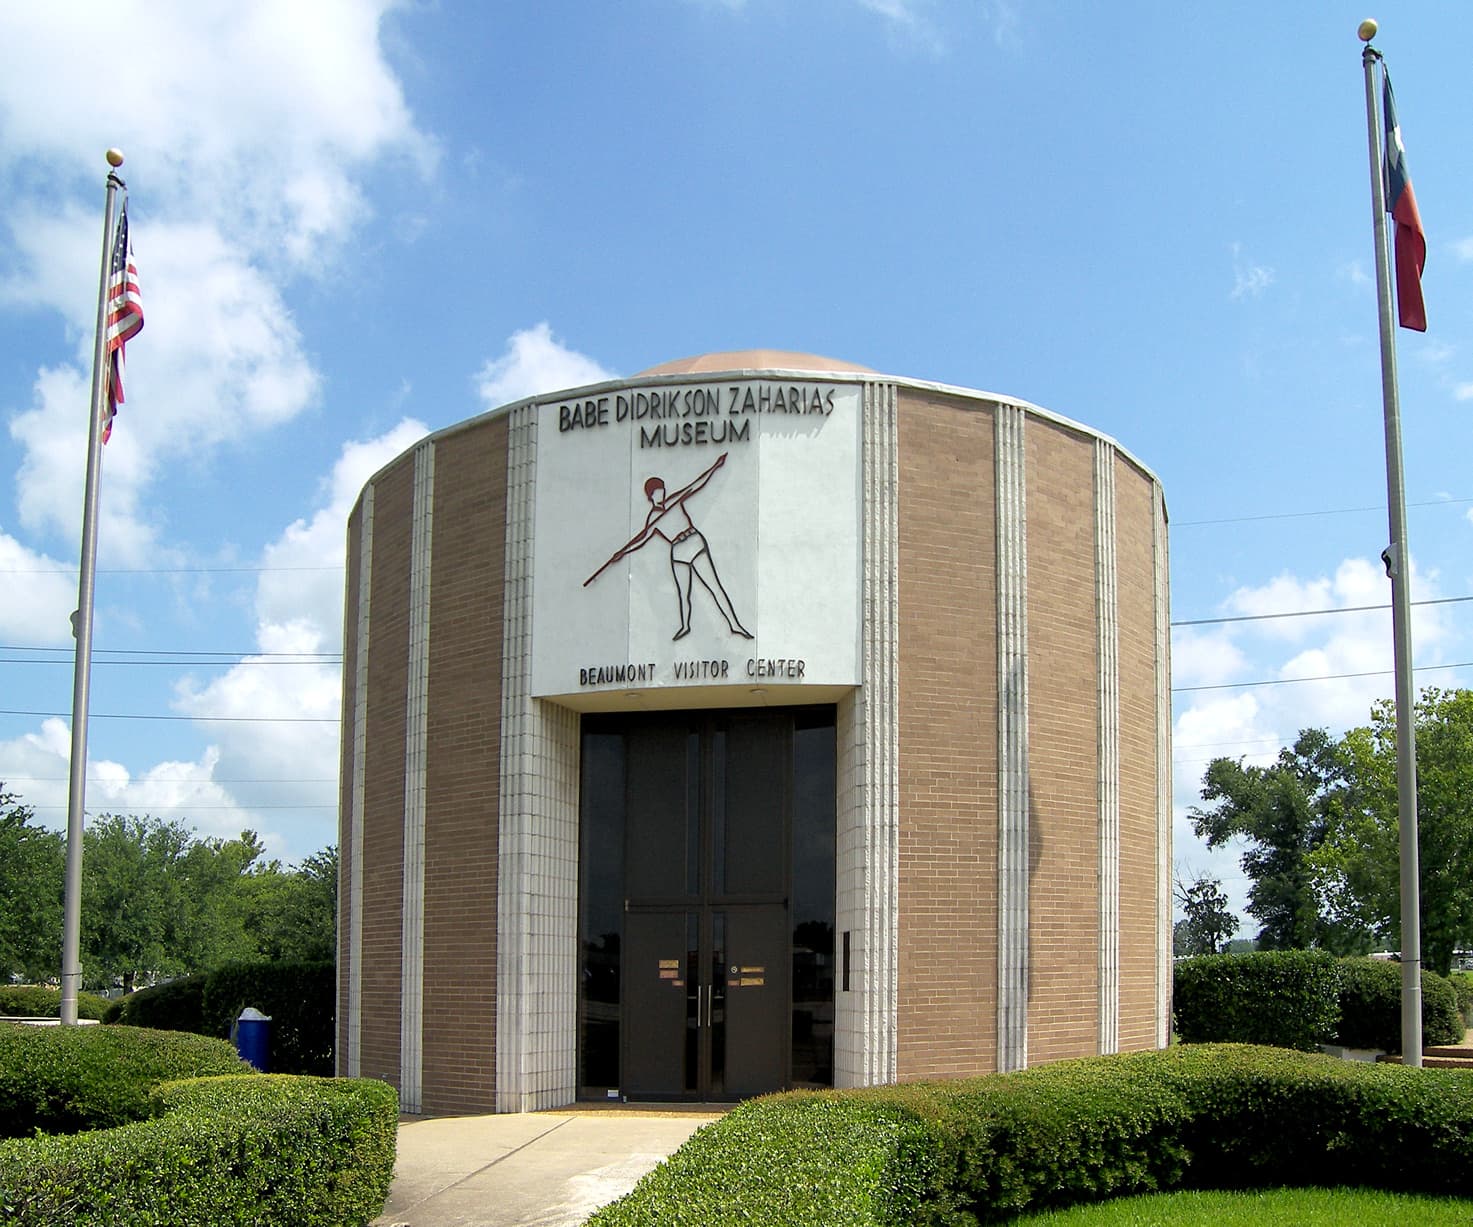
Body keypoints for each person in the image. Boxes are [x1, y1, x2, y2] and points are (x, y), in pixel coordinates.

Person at [586, 452, 753, 641]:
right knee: (683, 593)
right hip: (678, 551)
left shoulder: (674, 500)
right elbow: (641, 539)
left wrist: (714, 467)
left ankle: (734, 625)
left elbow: (696, 485)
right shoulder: (653, 519)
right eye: (657, 493)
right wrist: (622, 553)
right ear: (651, 496)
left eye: (662, 491)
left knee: (714, 587)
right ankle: (685, 626)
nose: (661, 495)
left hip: (693, 542)